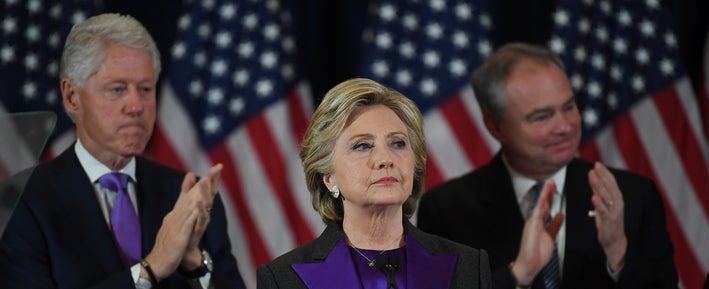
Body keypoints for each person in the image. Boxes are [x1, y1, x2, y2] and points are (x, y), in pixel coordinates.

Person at [0, 14, 246, 289]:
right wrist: (148, 271)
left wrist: (195, 262)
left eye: (145, 89)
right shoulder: (22, 201)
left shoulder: (188, 196)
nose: (136, 106)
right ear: (71, 97)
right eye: (117, 89)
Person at [417, 43, 678, 289]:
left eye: (569, 107)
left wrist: (618, 252)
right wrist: (518, 273)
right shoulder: (447, 210)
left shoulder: (633, 196)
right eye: (542, 117)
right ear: (495, 126)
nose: (565, 127)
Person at [256, 78, 491, 289]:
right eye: (362, 146)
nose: (385, 159)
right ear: (329, 177)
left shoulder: (469, 266)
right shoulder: (282, 279)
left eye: (398, 143)